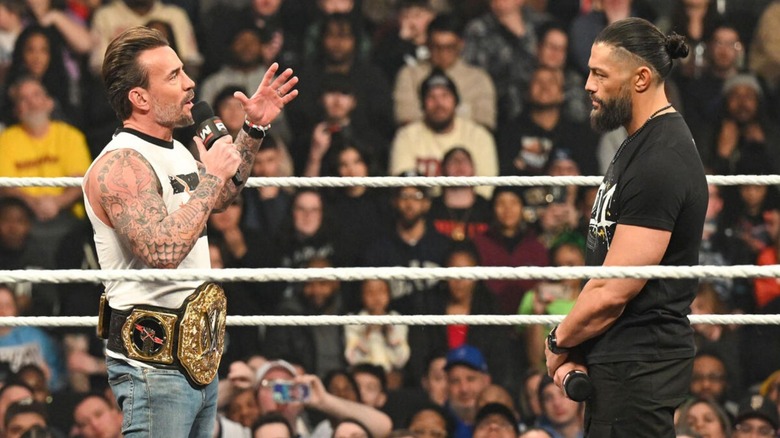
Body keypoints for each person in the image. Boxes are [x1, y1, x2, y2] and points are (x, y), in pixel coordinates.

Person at [80, 26, 298, 437]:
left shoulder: (175, 148)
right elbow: (163, 251)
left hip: (197, 358)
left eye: (183, 70)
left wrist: (251, 131)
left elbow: (219, 197)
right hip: (153, 367)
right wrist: (213, 176)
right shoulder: (121, 165)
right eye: (173, 76)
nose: (190, 82)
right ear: (139, 98)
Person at [544, 18, 708, 437]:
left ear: (640, 78)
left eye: (600, 74)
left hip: (639, 366)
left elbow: (615, 290)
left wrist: (558, 340)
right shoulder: (638, 142)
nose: (587, 85)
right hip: (620, 362)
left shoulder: (661, 159)